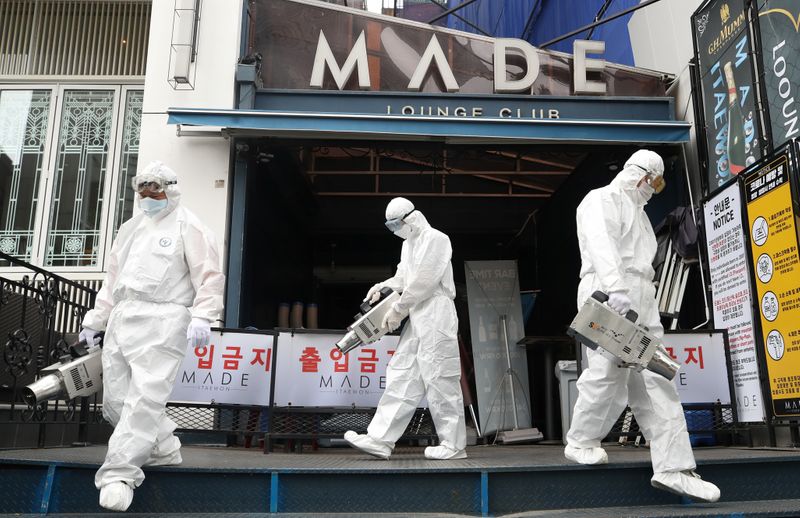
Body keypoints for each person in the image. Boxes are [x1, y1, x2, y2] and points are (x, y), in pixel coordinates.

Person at [564, 149, 720, 502]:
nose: (655, 189)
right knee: (607, 375)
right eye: (655, 181)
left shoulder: (640, 215)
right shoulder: (601, 199)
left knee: (657, 376)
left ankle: (673, 467)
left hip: (640, 298)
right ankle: (581, 440)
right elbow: (601, 243)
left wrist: (635, 294)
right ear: (641, 175)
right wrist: (616, 287)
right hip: (608, 293)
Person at [79, 160, 225, 511]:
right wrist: (96, 320)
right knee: (115, 401)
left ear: (171, 189)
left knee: (144, 398)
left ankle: (119, 473)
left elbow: (209, 275)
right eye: (142, 189)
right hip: (124, 317)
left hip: (164, 319)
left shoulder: (189, 226)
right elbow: (113, 279)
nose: (148, 196)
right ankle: (163, 447)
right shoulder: (131, 228)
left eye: (155, 189)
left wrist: (203, 315)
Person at [344, 197, 467, 460]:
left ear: (411, 218)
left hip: (436, 311)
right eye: (390, 227)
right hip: (417, 312)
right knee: (403, 373)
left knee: (440, 376)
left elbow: (423, 282)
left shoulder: (437, 239)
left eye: (396, 225)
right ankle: (380, 439)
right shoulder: (408, 245)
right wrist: (383, 286)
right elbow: (404, 278)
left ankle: (453, 445)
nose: (395, 230)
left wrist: (397, 310)